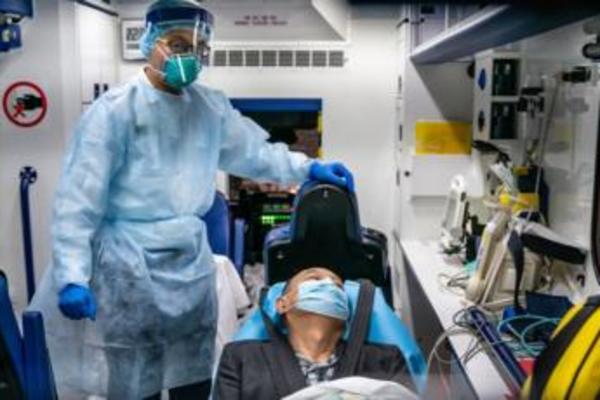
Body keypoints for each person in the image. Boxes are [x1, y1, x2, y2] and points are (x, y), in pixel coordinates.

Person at [38, 1, 354, 399]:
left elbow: (256, 153)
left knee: (193, 373)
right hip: (127, 266)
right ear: (149, 42)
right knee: (134, 380)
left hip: (189, 265)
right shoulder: (114, 113)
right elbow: (77, 201)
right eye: (177, 44)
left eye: (198, 47)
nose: (189, 56)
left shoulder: (209, 108)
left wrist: (308, 168)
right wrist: (72, 275)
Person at [214, 268, 415, 399]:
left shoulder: (386, 360)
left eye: (337, 286)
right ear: (282, 304)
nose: (328, 285)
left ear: (346, 312)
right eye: (314, 279)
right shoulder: (241, 358)